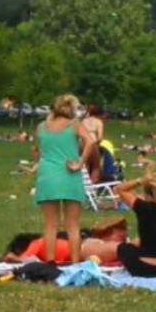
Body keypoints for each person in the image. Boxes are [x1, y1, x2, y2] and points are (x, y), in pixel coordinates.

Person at [32, 94, 96, 264]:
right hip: (69, 174)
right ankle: (75, 262)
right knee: (73, 224)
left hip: (47, 175)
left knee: (50, 224)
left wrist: (38, 163)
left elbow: (36, 151)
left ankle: (50, 262)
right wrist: (80, 163)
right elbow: (91, 141)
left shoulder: (41, 127)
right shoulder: (74, 125)